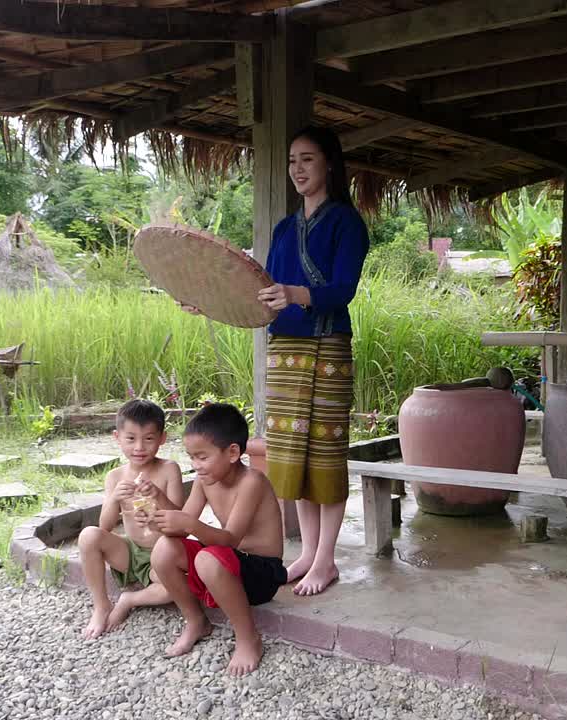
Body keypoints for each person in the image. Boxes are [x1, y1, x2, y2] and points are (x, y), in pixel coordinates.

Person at [257, 125, 370, 596]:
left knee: (324, 455)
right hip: (284, 350)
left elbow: (343, 290)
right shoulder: (285, 228)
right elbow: (261, 289)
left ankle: (326, 560)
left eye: (306, 159)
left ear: (328, 163)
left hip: (326, 348)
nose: (297, 169)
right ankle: (305, 552)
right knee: (294, 457)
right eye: (291, 161)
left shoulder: (347, 222)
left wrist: (294, 295)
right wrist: (214, 300)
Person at [142, 403, 286, 676]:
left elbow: (229, 539)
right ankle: (196, 621)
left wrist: (190, 524)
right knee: (164, 549)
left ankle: (248, 638)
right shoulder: (203, 481)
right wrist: (156, 503)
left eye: (202, 457)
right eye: (192, 458)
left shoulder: (252, 482)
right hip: (227, 565)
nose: (196, 465)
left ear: (232, 452)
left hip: (262, 574)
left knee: (209, 558)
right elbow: (180, 530)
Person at [76, 399, 184, 640]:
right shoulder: (115, 476)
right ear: (117, 437)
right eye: (131, 438)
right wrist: (114, 499)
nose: (139, 447)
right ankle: (101, 605)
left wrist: (158, 496)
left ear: (162, 438)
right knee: (89, 535)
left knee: (175, 588)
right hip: (130, 552)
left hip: (161, 554)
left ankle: (129, 599)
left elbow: (179, 518)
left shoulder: (169, 470)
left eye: (148, 438)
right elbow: (105, 526)